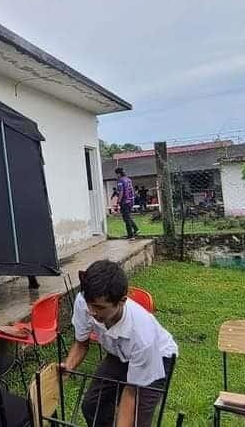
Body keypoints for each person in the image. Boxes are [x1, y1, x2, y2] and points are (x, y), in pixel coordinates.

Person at [61, 261, 178, 427]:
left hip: (157, 357)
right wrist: (66, 369)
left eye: (99, 307)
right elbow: (81, 344)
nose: (92, 311)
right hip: (119, 354)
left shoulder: (142, 335)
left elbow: (131, 391)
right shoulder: (85, 302)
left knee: (138, 421)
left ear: (122, 301)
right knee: (93, 407)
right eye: (89, 304)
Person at [113, 168, 139, 239]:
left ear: (118, 174)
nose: (116, 176)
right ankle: (136, 229)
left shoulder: (120, 181)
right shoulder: (128, 179)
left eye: (116, 174)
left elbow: (121, 192)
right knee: (127, 217)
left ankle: (130, 235)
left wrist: (118, 202)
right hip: (131, 201)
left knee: (126, 219)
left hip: (125, 202)